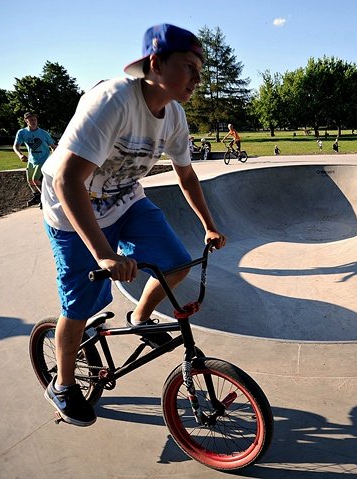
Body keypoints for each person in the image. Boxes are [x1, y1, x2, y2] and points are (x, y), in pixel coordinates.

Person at [39, 24, 226, 427]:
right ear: (155, 65)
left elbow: (187, 175)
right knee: (80, 306)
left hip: (126, 201)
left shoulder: (174, 115)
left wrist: (209, 225)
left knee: (176, 264)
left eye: (200, 70)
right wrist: (104, 255)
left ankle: (139, 318)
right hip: (73, 209)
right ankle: (64, 384)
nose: (197, 78)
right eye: (189, 67)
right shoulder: (112, 100)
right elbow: (66, 180)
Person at [13, 112, 57, 207]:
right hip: (32, 160)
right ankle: (37, 196)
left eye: (35, 120)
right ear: (26, 121)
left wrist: (54, 158)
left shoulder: (43, 133)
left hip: (43, 159)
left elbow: (53, 146)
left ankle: (45, 199)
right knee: (29, 180)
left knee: (35, 179)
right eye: (31, 120)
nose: (33, 122)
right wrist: (20, 155)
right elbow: (15, 146)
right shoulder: (22, 132)